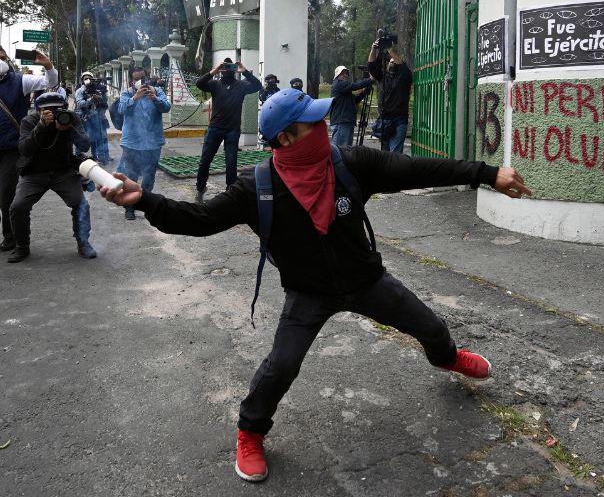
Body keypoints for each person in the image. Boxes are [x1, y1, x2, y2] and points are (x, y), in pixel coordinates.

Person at [99, 87, 532, 483]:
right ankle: (250, 432)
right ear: (286, 138)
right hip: (308, 293)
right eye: (314, 122)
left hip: (367, 281)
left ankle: (448, 358)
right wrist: (147, 200)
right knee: (280, 367)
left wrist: (485, 172)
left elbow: (417, 168)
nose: (325, 127)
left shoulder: (350, 163)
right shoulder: (257, 186)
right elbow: (199, 220)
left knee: (432, 328)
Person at [8, 90, 97, 262]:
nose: (54, 113)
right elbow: (24, 150)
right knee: (17, 206)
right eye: (47, 110)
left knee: (81, 204)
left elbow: (85, 145)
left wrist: (69, 128)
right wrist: (41, 126)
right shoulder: (30, 121)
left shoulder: (70, 118)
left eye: (57, 109)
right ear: (39, 110)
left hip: (63, 171)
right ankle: (22, 246)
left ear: (64, 107)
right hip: (34, 173)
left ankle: (83, 242)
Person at [0, 47, 57, 254]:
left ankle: (11, 238)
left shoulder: (20, 81)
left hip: (11, 148)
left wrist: (48, 65)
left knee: (6, 194)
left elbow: (49, 83)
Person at [194, 58, 262, 201]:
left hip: (232, 130)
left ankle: (231, 193)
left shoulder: (241, 85)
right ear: (221, 69)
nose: (227, 69)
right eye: (224, 67)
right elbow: (199, 83)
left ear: (234, 70)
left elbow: (258, 86)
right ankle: (200, 189)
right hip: (215, 128)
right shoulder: (215, 84)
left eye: (229, 67)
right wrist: (214, 71)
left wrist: (245, 72)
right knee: (205, 161)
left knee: (231, 163)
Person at [117, 67, 171, 221]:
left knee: (148, 177)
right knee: (130, 177)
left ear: (147, 78)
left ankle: (146, 205)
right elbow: (121, 109)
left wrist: (155, 98)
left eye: (143, 78)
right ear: (132, 80)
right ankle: (129, 207)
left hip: (153, 143)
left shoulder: (157, 91)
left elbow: (166, 108)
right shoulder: (127, 93)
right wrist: (135, 98)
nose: (140, 81)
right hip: (132, 143)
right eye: (136, 79)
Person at [367, 37, 413, 153]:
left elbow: (402, 66)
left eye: (394, 61)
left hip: (399, 119)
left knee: (395, 154)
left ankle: (394, 171)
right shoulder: (383, 77)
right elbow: (371, 66)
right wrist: (373, 49)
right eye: (390, 61)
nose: (391, 63)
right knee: (385, 153)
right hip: (385, 119)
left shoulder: (404, 76)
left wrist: (390, 49)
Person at [329, 65, 373, 149]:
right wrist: (370, 80)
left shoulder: (345, 90)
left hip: (347, 121)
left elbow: (355, 100)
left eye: (346, 73)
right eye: (343, 73)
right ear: (337, 75)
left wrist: (364, 92)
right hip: (341, 121)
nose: (345, 75)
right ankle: (337, 162)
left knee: (347, 150)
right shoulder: (338, 84)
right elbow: (354, 86)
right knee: (340, 149)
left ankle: (343, 162)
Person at [74, 71, 111, 165]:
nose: (88, 80)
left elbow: (104, 104)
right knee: (85, 138)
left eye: (89, 78)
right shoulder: (80, 91)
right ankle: (77, 156)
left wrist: (101, 97)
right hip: (84, 118)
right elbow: (80, 104)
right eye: (85, 78)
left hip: (97, 117)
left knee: (98, 137)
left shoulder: (97, 89)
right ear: (82, 80)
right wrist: (91, 99)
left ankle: (97, 156)